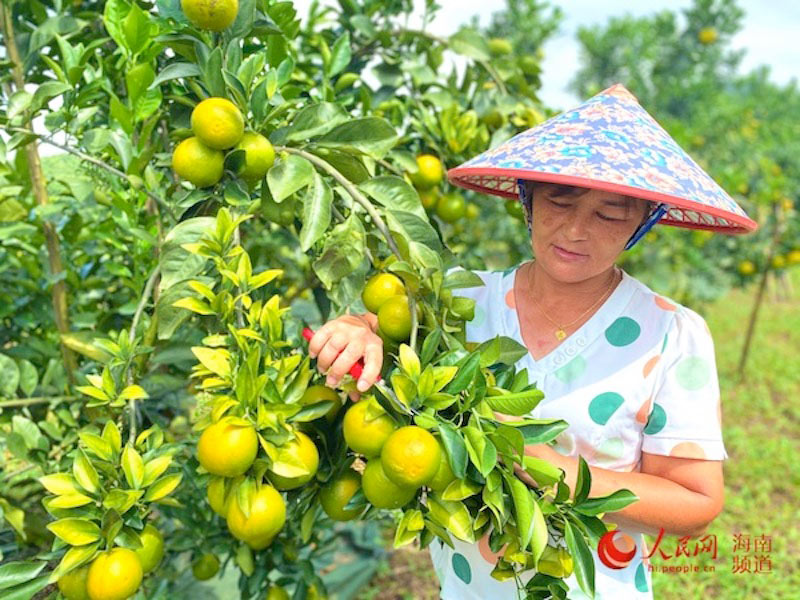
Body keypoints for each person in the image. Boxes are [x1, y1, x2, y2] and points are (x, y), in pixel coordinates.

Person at [307, 84, 758, 599]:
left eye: (609, 214)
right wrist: (357, 329)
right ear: (527, 196)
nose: (575, 229)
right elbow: (384, 324)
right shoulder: (461, 299)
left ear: (643, 221)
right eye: (559, 199)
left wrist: (544, 464)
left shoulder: (671, 333)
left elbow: (695, 502)